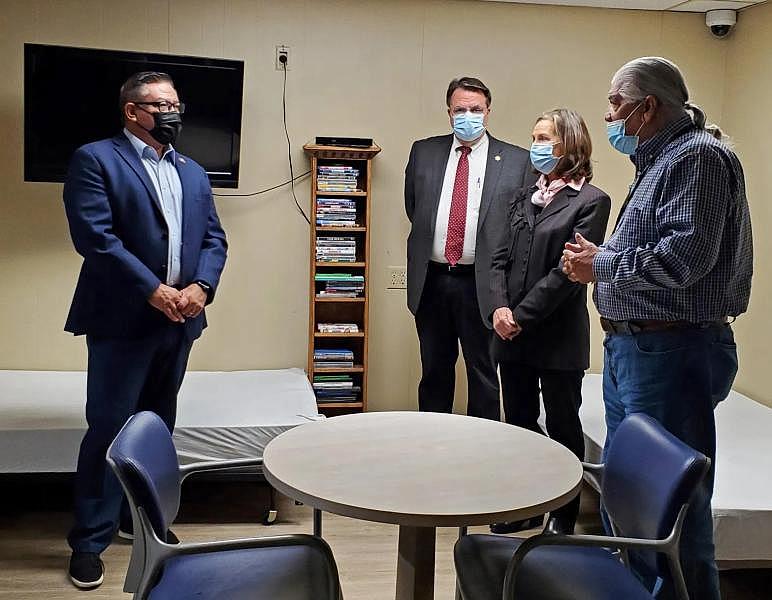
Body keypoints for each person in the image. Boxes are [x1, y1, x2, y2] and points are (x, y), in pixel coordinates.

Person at [562, 57, 752, 600]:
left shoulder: (700, 157)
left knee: (675, 511)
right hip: (634, 348)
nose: (609, 115)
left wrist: (602, 265)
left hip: (672, 349)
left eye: (616, 104)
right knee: (629, 499)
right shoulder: (659, 160)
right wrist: (604, 257)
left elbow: (685, 259)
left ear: (648, 107)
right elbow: (656, 247)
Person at [63, 71, 228, 589]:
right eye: (160, 104)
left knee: (156, 430)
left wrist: (201, 285)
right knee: (110, 430)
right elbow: (96, 238)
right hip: (124, 320)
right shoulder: (96, 158)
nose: (172, 112)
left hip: (180, 322)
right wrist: (152, 290)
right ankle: (89, 542)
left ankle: (144, 524)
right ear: (132, 111)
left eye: (176, 103)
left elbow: (215, 238)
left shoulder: (193, 171)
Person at [488, 109, 610, 535]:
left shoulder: (592, 201)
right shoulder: (521, 197)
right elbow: (499, 260)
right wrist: (499, 310)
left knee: (562, 424)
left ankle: (563, 513)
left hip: (557, 335)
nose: (536, 145)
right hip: (511, 334)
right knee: (519, 423)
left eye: (545, 138)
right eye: (534, 136)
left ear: (569, 146)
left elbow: (568, 273)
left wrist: (519, 316)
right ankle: (525, 506)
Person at [405, 77, 531, 420]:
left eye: (476, 110)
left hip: (483, 285)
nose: (468, 116)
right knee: (434, 372)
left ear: (488, 112)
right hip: (432, 281)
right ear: (449, 112)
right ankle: (431, 442)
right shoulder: (424, 152)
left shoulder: (518, 161)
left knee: (484, 375)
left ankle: (482, 452)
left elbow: (522, 228)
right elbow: (414, 209)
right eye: (460, 109)